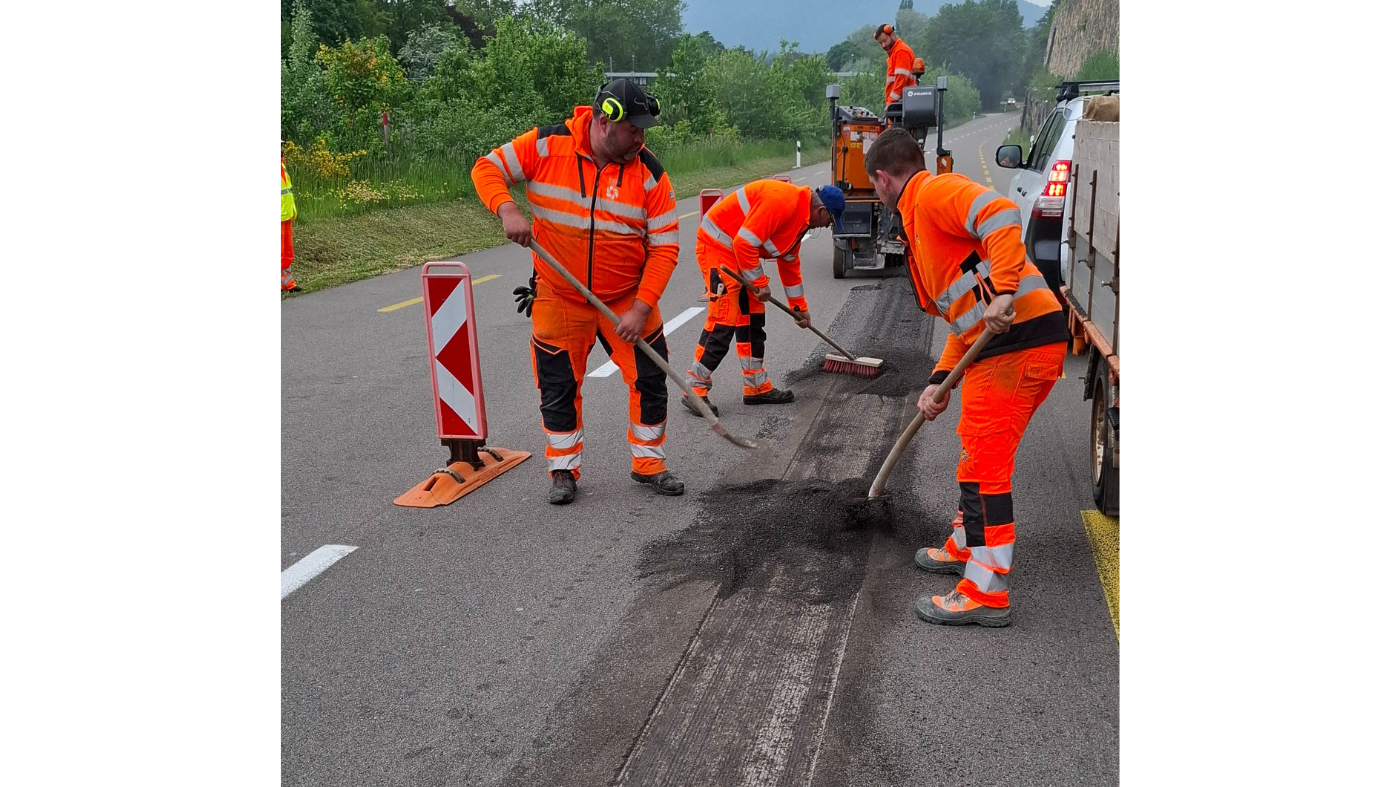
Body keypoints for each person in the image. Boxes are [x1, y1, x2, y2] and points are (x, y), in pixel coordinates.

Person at [863, 128, 1071, 627]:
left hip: (1017, 343)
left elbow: (1003, 213)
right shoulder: (919, 221)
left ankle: (986, 589)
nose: (876, 193)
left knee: (986, 465)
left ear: (884, 178)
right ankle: (965, 543)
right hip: (998, 346)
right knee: (974, 450)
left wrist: (1003, 291)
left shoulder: (932, 193)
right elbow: (966, 318)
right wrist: (940, 381)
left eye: (874, 186)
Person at [471, 78, 683, 505]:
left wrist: (640, 309)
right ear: (605, 121)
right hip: (560, 295)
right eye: (633, 130)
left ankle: (649, 463)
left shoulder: (650, 175)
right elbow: (487, 168)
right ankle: (563, 470)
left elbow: (665, 249)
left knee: (650, 377)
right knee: (558, 385)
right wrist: (507, 208)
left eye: (644, 130)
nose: (640, 138)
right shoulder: (547, 145)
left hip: (626, 297)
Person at [684, 180, 844, 413]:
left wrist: (799, 308)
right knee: (724, 320)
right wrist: (760, 283)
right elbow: (744, 243)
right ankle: (694, 387)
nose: (827, 226)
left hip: (737, 252)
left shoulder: (800, 219)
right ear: (821, 211)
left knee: (753, 318)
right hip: (717, 245)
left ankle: (756, 386)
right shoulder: (783, 202)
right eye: (829, 222)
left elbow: (789, 262)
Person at [875, 24, 918, 111]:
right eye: (880, 43)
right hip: (899, 106)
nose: (883, 45)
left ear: (892, 35)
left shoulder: (901, 52)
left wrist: (890, 105)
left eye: (884, 40)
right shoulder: (895, 54)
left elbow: (901, 82)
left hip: (902, 107)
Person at [281, 154, 300, 293]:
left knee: (287, 252)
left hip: (286, 214)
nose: (281, 149)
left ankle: (288, 283)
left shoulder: (282, 165)